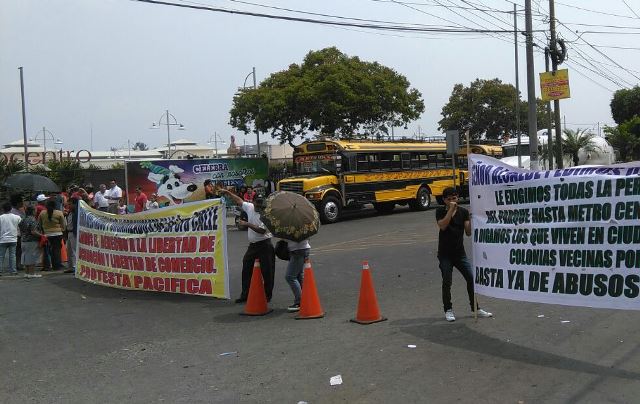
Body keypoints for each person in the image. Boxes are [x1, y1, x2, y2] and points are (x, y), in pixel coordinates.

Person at [435, 187, 492, 322]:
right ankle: (448, 309)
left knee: (471, 279)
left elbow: (468, 232)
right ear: (444, 200)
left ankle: (475, 308)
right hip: (445, 254)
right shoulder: (440, 211)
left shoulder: (463, 212)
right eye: (449, 199)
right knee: (447, 281)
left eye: (454, 198)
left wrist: (472, 219)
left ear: (458, 198)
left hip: (459, 253)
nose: (452, 201)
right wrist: (450, 210)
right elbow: (442, 226)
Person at [219, 188, 276, 303]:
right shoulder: (249, 207)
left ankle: (267, 296)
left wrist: (246, 224)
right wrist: (228, 192)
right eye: (257, 203)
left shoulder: (266, 212)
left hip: (265, 244)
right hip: (253, 245)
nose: (259, 205)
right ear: (253, 202)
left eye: (261, 203)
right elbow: (239, 200)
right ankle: (245, 294)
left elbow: (262, 231)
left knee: (267, 271)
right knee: (246, 267)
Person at [38, 199, 65, 271]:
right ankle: (56, 266)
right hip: (57, 234)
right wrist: (61, 230)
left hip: (46, 235)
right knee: (56, 250)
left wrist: (42, 232)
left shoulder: (42, 213)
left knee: (46, 251)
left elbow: (39, 224)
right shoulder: (59, 213)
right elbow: (63, 225)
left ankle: (46, 266)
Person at [285, 239, 311, 312]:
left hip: (298, 251)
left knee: (290, 277)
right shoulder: (303, 229)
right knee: (299, 275)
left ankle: (299, 302)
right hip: (301, 249)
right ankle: (305, 298)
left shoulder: (296, 229)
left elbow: (294, 239)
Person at [18, 206, 44, 278]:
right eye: (35, 210)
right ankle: (32, 273)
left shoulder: (23, 219)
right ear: (32, 211)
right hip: (31, 241)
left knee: (25, 256)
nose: (36, 211)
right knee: (32, 256)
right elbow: (33, 231)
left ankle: (27, 273)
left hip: (23, 240)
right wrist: (42, 235)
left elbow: (20, 228)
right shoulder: (32, 220)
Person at [0, 201, 22, 276]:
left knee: (1, 256)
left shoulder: (0, 218)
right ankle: (13, 271)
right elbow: (20, 227)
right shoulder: (17, 217)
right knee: (12, 255)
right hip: (13, 239)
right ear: (10, 209)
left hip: (2, 239)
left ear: (3, 209)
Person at [64, 195, 80, 274]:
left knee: (75, 251)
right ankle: (70, 267)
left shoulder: (77, 212)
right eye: (68, 204)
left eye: (70, 204)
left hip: (74, 233)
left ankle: (76, 268)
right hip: (69, 233)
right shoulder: (69, 213)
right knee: (69, 250)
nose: (68, 206)